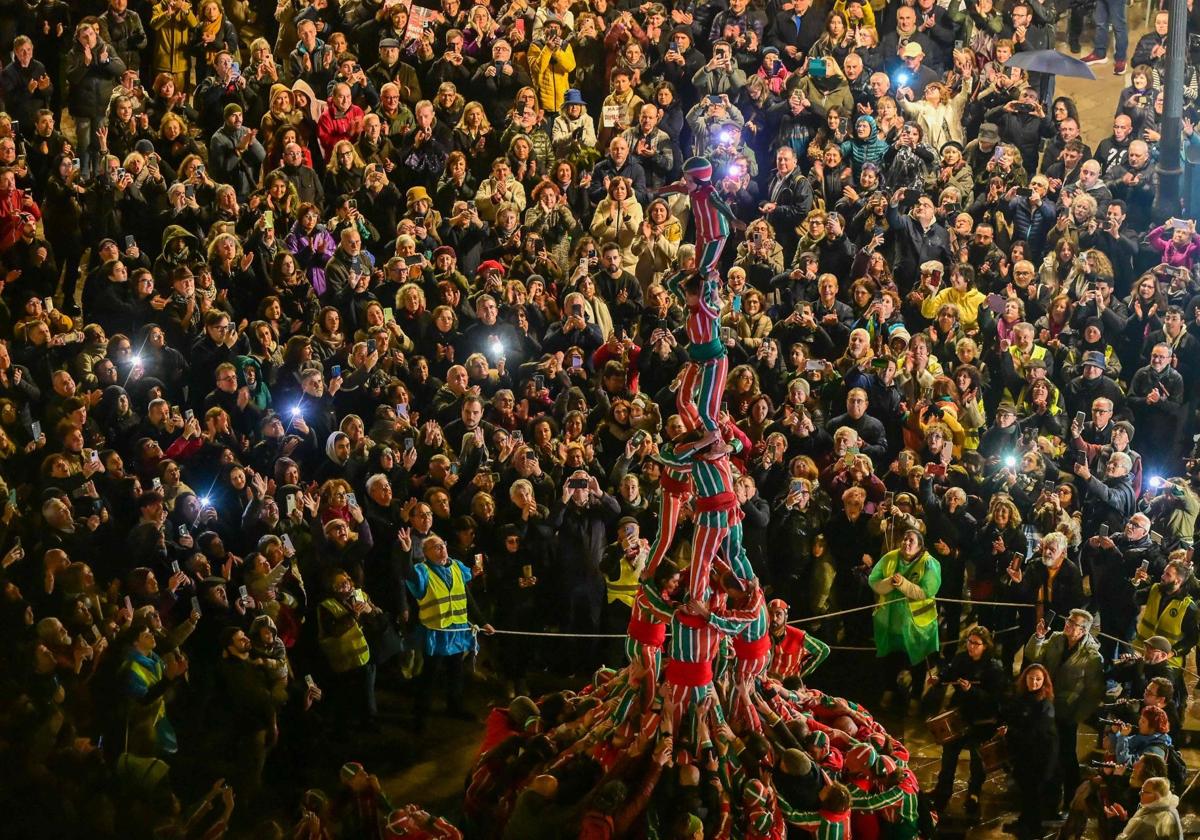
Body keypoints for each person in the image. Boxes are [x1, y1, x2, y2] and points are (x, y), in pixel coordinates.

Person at [1024, 608, 1105, 813]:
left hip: (1068, 712)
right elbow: (1034, 656)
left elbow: (1093, 693)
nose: (1067, 625)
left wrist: (1076, 717)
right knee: (1047, 753)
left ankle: (1071, 798)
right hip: (1047, 705)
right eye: (1068, 621)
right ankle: (1048, 797)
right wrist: (1039, 637)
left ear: (1083, 631)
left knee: (1067, 756)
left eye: (1072, 623)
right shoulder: (1056, 640)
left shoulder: (1092, 657)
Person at [929, 627, 1008, 815]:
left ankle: (974, 793)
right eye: (969, 642)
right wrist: (938, 679)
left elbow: (995, 700)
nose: (971, 647)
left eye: (976, 644)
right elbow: (949, 672)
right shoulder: (962, 658)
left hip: (982, 721)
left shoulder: (993, 667)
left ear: (985, 646)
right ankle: (943, 791)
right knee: (949, 754)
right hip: (961, 715)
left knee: (977, 759)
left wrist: (972, 690)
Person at [1003, 663, 1059, 840]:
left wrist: (1012, 731)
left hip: (1040, 756)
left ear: (1044, 682)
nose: (1034, 682)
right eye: (1031, 678)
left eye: (1038, 679)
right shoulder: (1023, 698)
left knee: (1034, 793)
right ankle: (1024, 820)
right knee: (1024, 790)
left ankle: (1033, 829)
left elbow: (1036, 731)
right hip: (1024, 753)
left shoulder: (1045, 705)